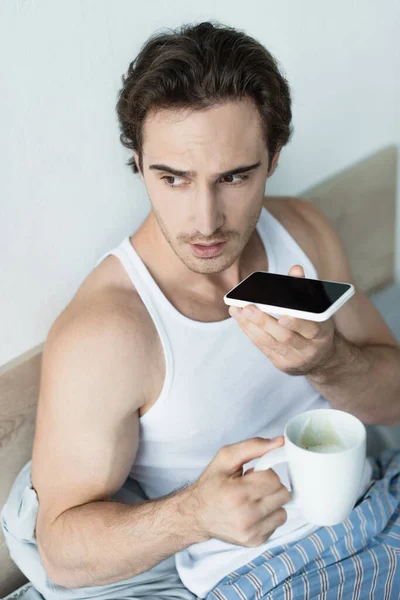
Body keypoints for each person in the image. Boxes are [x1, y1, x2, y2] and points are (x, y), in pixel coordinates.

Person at [2, 20, 400, 600]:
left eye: (235, 177)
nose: (206, 220)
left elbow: (392, 401)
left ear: (274, 157)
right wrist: (194, 515)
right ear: (138, 163)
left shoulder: (303, 233)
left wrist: (328, 361)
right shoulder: (109, 330)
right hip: (266, 575)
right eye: (174, 179)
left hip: (378, 507)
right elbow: (61, 549)